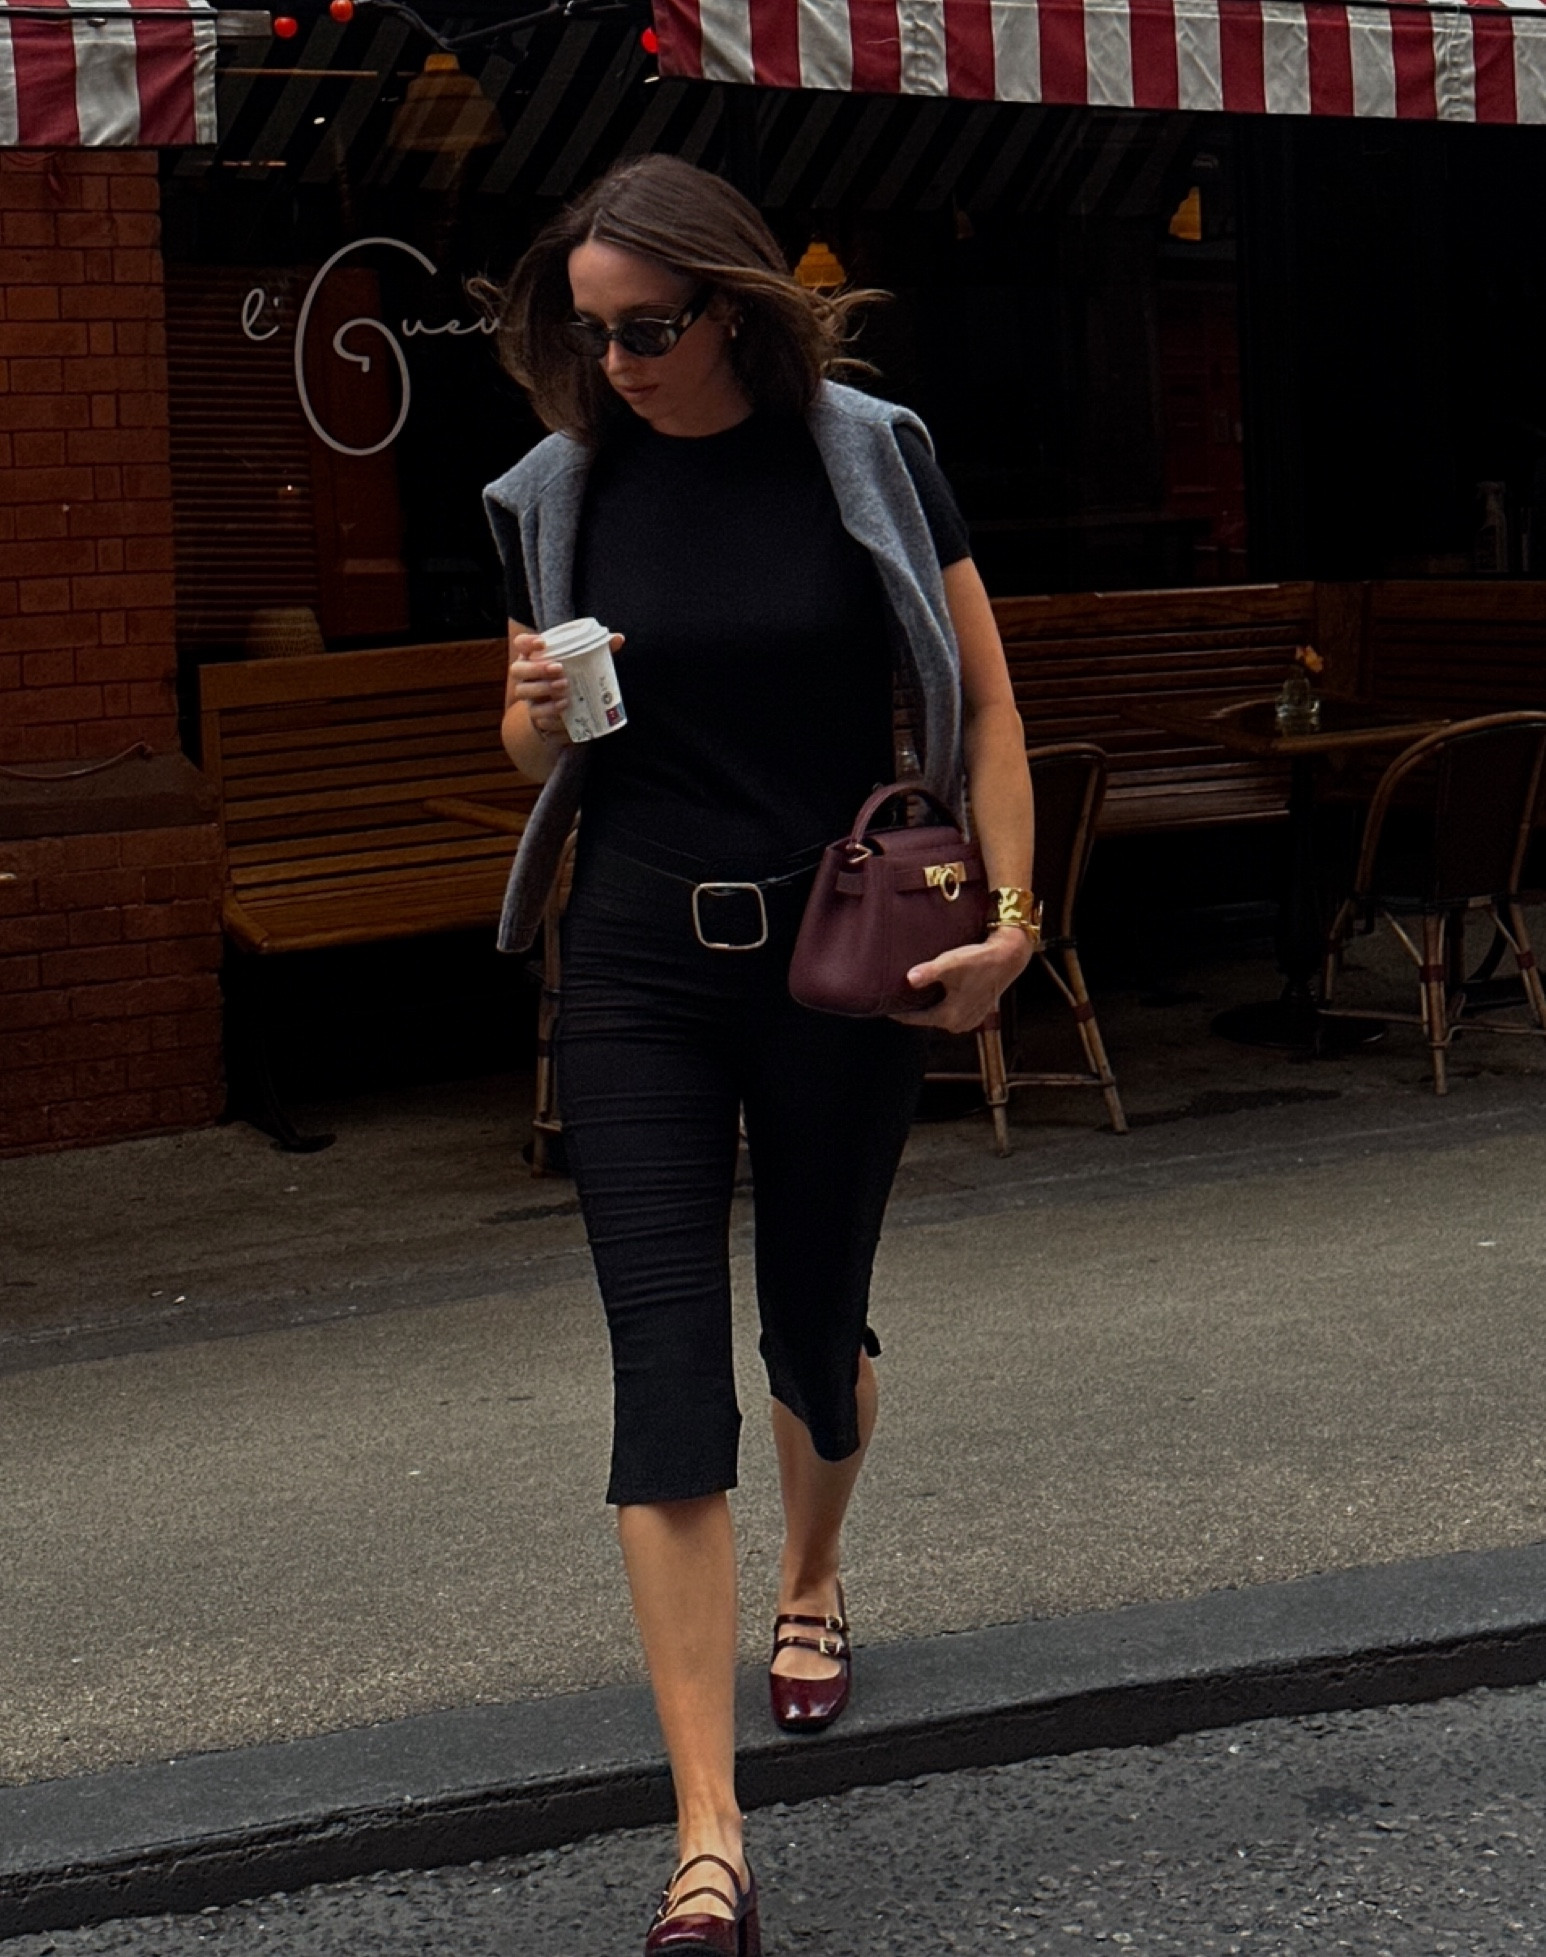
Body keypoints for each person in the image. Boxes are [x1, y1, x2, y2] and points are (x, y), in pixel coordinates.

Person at [481, 154, 1035, 1957]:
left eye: (648, 330)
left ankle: (812, 1575)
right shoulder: (559, 494)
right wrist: (518, 719)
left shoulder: (868, 453)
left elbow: (992, 705)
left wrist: (1012, 926)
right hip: (636, 956)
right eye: (589, 334)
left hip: (837, 951)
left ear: (734, 308)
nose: (618, 364)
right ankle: (705, 1833)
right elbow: (535, 756)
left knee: (814, 1326)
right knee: (664, 1368)